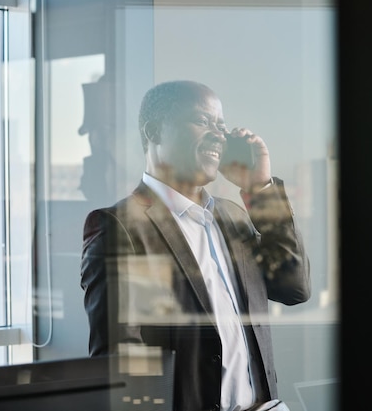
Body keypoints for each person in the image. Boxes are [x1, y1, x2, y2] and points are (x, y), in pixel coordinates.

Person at [80, 80, 311, 411]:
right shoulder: (123, 228)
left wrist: (260, 189)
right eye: (203, 121)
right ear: (155, 131)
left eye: (221, 125)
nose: (219, 134)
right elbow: (125, 363)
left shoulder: (232, 218)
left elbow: (294, 287)